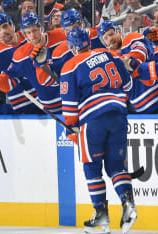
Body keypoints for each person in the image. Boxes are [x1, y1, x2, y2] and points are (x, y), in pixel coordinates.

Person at [60, 27, 136, 234]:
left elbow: (68, 105)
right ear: (89, 42)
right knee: (116, 166)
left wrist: (71, 129)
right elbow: (128, 85)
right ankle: (128, 205)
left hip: (92, 120)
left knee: (92, 168)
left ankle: (101, 216)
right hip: (118, 114)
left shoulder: (69, 65)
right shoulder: (108, 54)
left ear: (72, 48)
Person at [0, 12, 66, 114]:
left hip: (64, 98)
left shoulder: (59, 35)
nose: (3, 31)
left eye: (5, 26)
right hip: (27, 104)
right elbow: (7, 79)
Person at [98, 21, 158, 114]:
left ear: (119, 31)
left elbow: (141, 53)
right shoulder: (109, 60)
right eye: (106, 38)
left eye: (111, 34)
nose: (110, 39)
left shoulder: (131, 38)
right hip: (139, 110)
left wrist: (128, 62)